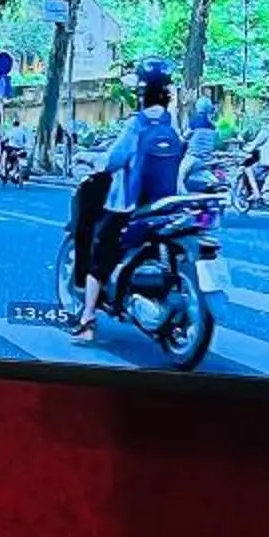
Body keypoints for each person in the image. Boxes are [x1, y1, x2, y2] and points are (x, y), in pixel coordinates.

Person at [72, 62, 185, 342]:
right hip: (168, 207)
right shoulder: (172, 122)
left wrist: (88, 157)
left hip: (130, 208)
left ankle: (87, 319)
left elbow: (113, 160)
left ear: (141, 91)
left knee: (99, 255)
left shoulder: (137, 124)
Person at [179, 93, 223, 192]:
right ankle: (216, 183)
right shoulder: (213, 125)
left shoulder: (195, 121)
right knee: (204, 172)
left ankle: (184, 199)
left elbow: (184, 137)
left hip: (192, 157)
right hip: (206, 158)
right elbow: (217, 142)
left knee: (178, 177)